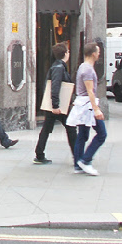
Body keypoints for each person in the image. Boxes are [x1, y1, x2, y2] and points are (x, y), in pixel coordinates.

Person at [66, 42, 107, 176]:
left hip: (82, 104)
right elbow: (90, 91)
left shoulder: (82, 67)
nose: (99, 54)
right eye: (98, 51)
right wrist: (96, 109)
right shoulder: (88, 70)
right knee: (101, 134)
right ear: (93, 53)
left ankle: (78, 164)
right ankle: (86, 160)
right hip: (87, 106)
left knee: (82, 135)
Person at [33, 43, 77, 164]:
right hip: (57, 107)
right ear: (65, 53)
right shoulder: (59, 68)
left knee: (47, 129)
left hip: (55, 106)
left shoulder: (57, 66)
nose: (69, 53)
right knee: (71, 128)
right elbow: (55, 86)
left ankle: (39, 154)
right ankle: (78, 155)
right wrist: (55, 105)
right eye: (68, 51)